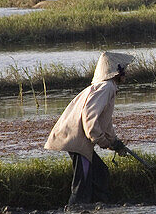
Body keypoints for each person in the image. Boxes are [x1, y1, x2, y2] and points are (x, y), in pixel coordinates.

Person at [45, 51, 134, 205]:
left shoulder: (107, 87)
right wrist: (102, 141)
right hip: (77, 141)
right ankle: (76, 213)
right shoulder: (106, 87)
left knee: (101, 173)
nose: (125, 73)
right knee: (82, 182)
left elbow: (105, 123)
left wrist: (115, 142)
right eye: (123, 70)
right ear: (115, 72)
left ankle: (99, 207)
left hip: (78, 139)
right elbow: (90, 119)